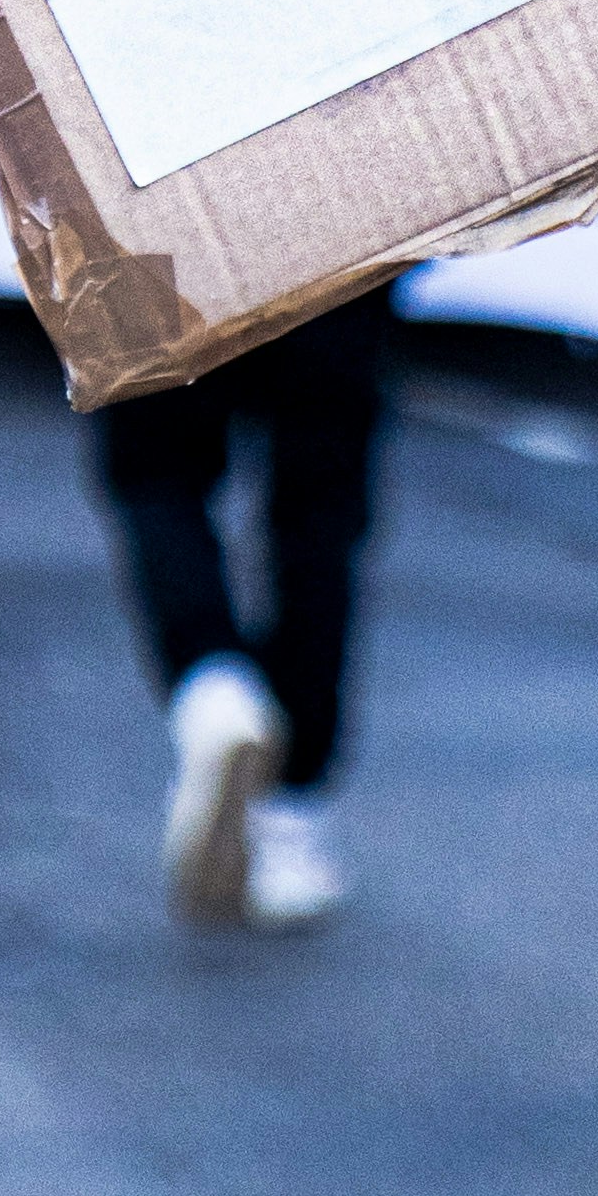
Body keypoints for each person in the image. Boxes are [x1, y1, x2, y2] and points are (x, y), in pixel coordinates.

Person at [100, 290, 398, 931]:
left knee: (156, 469)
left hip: (156, 221)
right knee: (319, 508)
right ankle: (291, 815)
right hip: (340, 221)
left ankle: (212, 680)